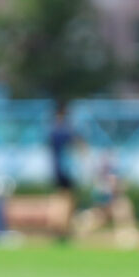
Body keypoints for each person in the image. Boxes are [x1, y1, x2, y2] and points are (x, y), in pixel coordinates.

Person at [45, 102, 78, 240]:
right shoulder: (66, 130)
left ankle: (56, 226)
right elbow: (77, 145)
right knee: (68, 199)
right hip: (66, 170)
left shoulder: (52, 130)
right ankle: (63, 228)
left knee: (59, 197)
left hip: (56, 169)